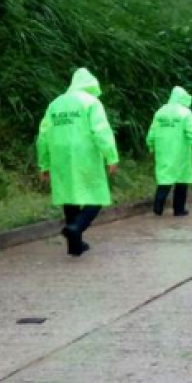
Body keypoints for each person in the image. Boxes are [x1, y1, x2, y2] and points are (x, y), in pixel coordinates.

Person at [37, 68, 119, 256]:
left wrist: (44, 163)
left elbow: (43, 136)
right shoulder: (91, 102)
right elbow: (101, 131)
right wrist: (111, 156)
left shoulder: (55, 104)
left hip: (60, 155)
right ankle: (77, 227)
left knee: (69, 196)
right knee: (97, 196)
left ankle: (75, 246)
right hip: (85, 155)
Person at [146, 86, 192, 217]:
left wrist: (150, 146)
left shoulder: (160, 112)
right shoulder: (185, 113)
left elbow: (152, 131)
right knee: (182, 181)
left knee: (165, 178)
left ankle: (158, 207)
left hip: (163, 151)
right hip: (181, 152)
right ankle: (179, 209)